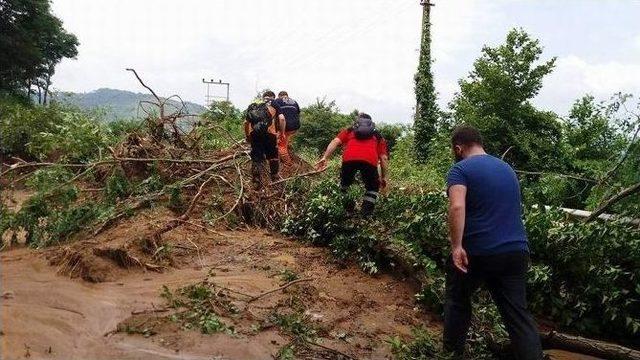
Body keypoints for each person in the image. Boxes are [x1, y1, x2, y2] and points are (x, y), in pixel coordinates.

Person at [444, 125, 543, 359]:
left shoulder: (460, 169)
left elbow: (457, 206)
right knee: (518, 315)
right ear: (480, 143)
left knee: (458, 301)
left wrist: (456, 246)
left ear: (458, 148)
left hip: (478, 252)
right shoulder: (507, 168)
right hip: (516, 251)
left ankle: (451, 354)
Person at [316, 113, 389, 216]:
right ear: (370, 123)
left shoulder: (350, 130)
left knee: (345, 184)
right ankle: (365, 214)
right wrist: (384, 177)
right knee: (372, 187)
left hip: (349, 158)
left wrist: (325, 157)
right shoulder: (377, 135)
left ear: (358, 121)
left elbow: (335, 142)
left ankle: (348, 211)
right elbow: (384, 158)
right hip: (370, 160)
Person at [244, 90, 284, 188]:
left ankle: (257, 180)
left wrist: (248, 136)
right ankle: (274, 179)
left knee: (257, 157)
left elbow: (245, 123)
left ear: (263, 97)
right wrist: (282, 133)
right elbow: (282, 118)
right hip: (270, 134)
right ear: (272, 97)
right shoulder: (274, 103)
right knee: (273, 156)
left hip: (255, 134)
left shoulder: (254, 104)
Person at [271, 91, 301, 166]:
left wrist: (281, 132)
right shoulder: (294, 101)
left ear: (279, 96)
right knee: (286, 139)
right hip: (295, 127)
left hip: (286, 126)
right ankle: (287, 144)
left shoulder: (276, 101)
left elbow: (275, 116)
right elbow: (297, 113)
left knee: (281, 145)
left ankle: (289, 164)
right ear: (287, 96)